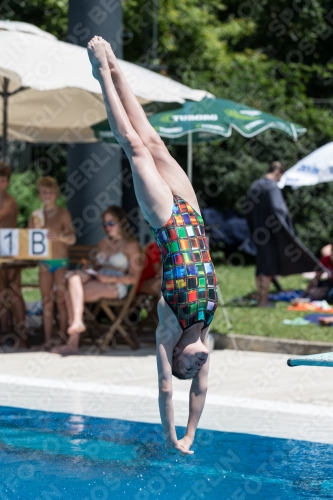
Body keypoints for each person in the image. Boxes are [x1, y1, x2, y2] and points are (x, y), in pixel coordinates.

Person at [87, 36, 218, 455]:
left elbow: (168, 391)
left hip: (165, 221)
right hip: (193, 215)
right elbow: (201, 393)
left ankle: (103, 73)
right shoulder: (206, 330)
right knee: (156, 141)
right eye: (194, 368)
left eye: (187, 365)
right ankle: (117, 67)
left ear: (176, 353)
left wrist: (175, 437)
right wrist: (196, 433)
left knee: (136, 148)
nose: (196, 366)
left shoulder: (169, 325)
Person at [52, 205, 142, 355]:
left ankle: (73, 341)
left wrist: (109, 277)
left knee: (70, 292)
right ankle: (77, 324)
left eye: (111, 223)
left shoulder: (131, 245)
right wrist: (89, 270)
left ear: (121, 222)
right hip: (98, 280)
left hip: (116, 285)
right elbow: (96, 268)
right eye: (105, 224)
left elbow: (134, 279)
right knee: (73, 278)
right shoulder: (103, 244)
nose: (108, 227)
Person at [245, 161, 321, 307]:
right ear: (278, 172)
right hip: (271, 234)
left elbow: (247, 208)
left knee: (261, 266)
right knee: (268, 267)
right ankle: (263, 301)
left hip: (257, 233)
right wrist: (288, 230)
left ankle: (261, 298)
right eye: (281, 177)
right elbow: (279, 209)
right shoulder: (272, 186)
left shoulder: (255, 186)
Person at [29, 177, 76, 349]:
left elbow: (72, 238)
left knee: (61, 300)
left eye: (50, 192)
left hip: (61, 262)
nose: (47, 195)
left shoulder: (63, 214)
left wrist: (59, 237)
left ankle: (63, 339)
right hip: (44, 263)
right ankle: (47, 339)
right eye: (44, 192)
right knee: (47, 302)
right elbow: (30, 240)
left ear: (56, 194)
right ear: (39, 195)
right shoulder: (35, 216)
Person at [0, 161, 26, 331]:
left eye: (2, 180)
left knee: (14, 292)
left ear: (8, 182)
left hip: (10, 251)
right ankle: (4, 330)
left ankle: (22, 333)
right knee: (2, 293)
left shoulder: (10, 201)